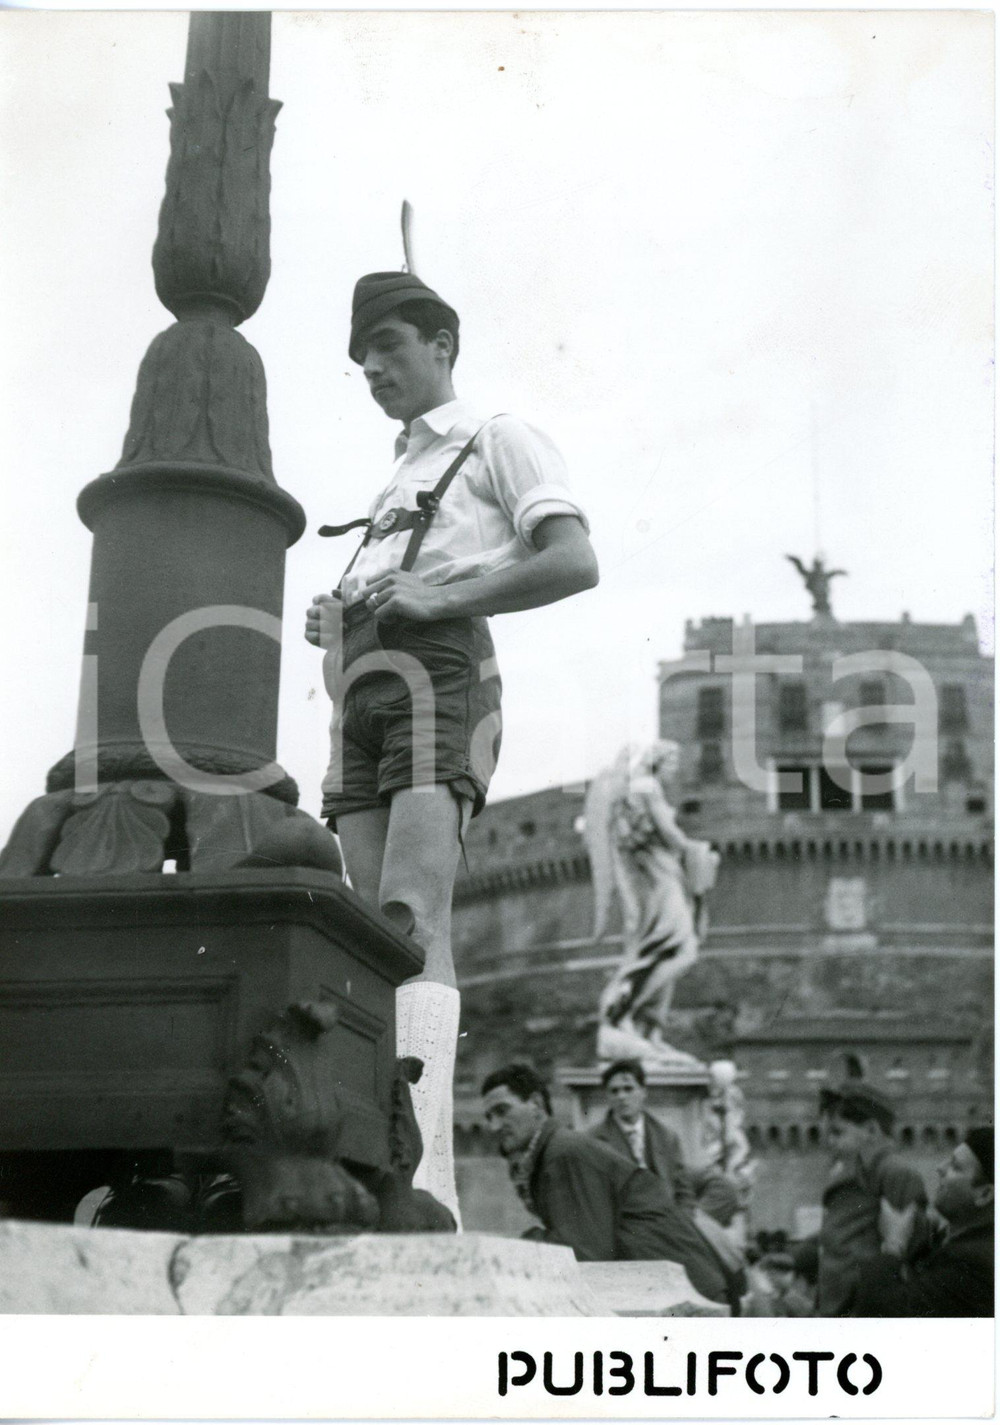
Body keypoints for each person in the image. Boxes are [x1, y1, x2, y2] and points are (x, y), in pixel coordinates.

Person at [305, 274, 598, 1223]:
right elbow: (403, 573)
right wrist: (337, 615)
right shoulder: (397, 472)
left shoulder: (496, 436)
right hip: (362, 688)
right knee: (370, 928)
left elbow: (572, 557)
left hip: (441, 674)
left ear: (442, 342)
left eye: (389, 345)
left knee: (410, 912)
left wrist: (439, 598)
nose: (373, 369)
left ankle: (428, 1178)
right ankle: (389, 1158)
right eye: (361, 360)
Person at [480, 1062, 739, 1309]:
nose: (493, 1126)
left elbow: (585, 1253)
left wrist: (520, 1246)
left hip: (680, 1297)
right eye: (489, 1116)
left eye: (503, 1111)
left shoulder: (562, 1153)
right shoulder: (556, 1149)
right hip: (671, 1288)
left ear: (536, 1103)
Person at [583, 741, 718, 1061]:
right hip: (659, 884)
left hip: (664, 879)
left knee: (666, 950)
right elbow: (670, 834)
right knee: (680, 949)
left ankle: (648, 1030)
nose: (675, 768)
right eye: (671, 761)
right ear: (658, 760)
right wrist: (699, 850)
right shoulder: (646, 786)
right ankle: (619, 1014)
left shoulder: (644, 788)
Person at [852, 1126, 993, 1317]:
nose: (940, 1168)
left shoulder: (974, 1265)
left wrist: (894, 1244)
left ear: (985, 1194)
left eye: (955, 1167)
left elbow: (878, 1312)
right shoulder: (963, 1242)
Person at [816, 1079, 928, 1316]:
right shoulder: (859, 1172)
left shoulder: (894, 1172)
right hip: (840, 1305)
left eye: (838, 1132)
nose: (829, 1141)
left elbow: (910, 1243)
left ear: (871, 1131)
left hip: (860, 1307)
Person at [588, 1058, 694, 1209]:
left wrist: (682, 1225)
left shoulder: (666, 1136)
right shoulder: (593, 1140)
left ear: (643, 1092)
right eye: (614, 1091)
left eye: (628, 1089)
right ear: (608, 1096)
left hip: (665, 1220)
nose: (621, 1097)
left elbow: (683, 1192)